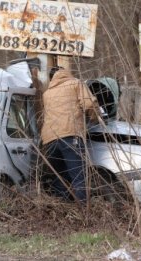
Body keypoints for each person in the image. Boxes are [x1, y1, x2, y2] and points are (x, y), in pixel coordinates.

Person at [41, 67, 101, 202]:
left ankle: (62, 212)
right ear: (66, 73)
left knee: (60, 178)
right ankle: (83, 214)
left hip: (49, 140)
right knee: (79, 176)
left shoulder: (46, 93)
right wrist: (96, 118)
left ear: (52, 78)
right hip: (69, 135)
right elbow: (90, 104)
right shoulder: (75, 83)